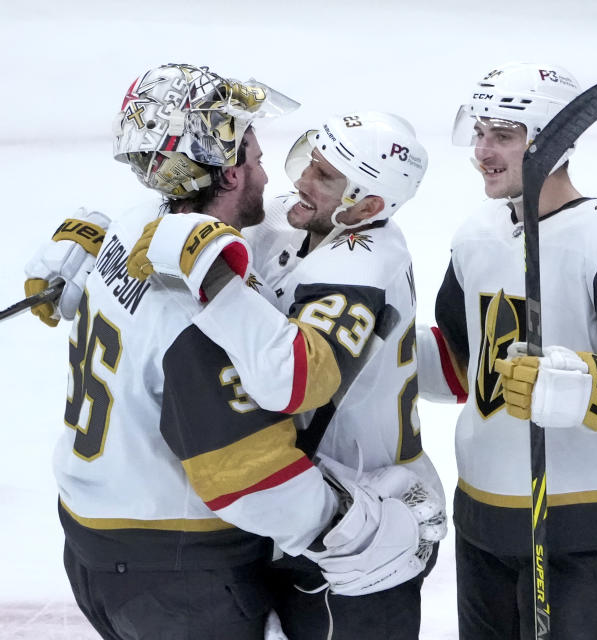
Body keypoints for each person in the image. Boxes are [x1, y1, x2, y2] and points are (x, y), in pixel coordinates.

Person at [24, 63, 442, 640]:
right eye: (254, 152)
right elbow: (243, 468)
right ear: (226, 172)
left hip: (90, 542)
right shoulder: (203, 306)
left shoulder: (134, 229)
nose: (275, 174)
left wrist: (97, 246)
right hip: (177, 564)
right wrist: (349, 529)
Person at [126, 110, 445, 639]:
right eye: (309, 161)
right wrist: (101, 241)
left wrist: (216, 277)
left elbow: (292, 381)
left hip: (368, 529)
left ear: (365, 206)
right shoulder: (298, 219)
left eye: (324, 176)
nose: (299, 181)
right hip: (307, 507)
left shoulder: (363, 266)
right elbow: (198, 215)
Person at [415, 62, 597, 639]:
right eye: (479, 132)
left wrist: (577, 388)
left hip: (584, 524)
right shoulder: (476, 233)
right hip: (482, 518)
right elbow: (461, 365)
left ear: (550, 140)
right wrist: (372, 361)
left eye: (503, 135)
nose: (482, 151)